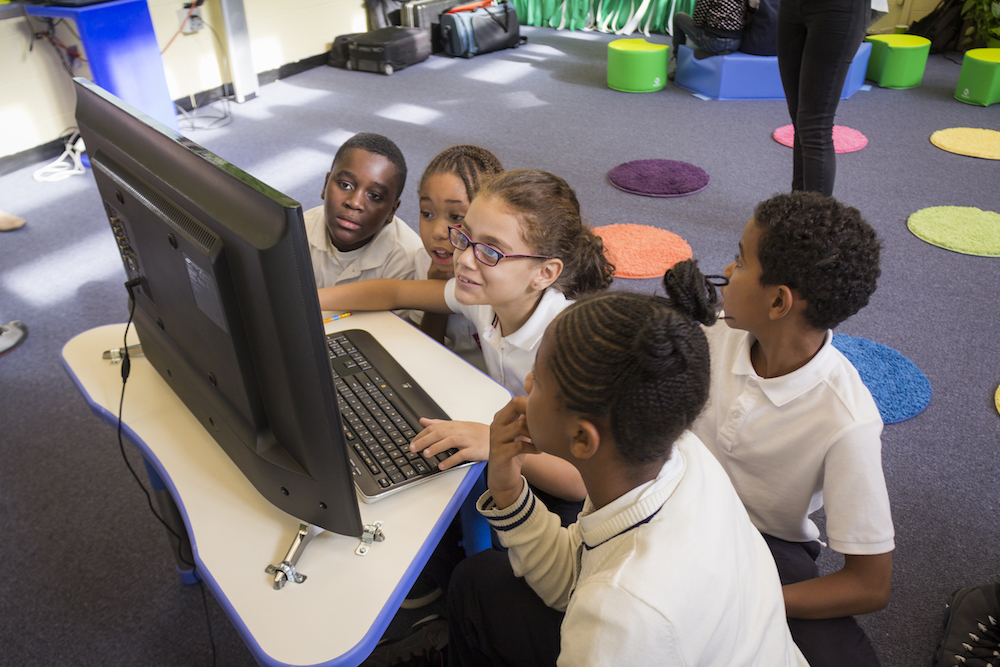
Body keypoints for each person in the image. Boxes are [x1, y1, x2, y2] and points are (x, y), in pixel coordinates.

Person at [446, 291, 808, 667]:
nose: (528, 381)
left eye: (540, 379)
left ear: (583, 439)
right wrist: (508, 490)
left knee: (476, 585)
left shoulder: (618, 616)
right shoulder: (675, 451)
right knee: (478, 578)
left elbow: (604, 597)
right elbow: (574, 576)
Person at [666, 192, 892, 667]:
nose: (726, 270)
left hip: (767, 548)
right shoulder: (716, 335)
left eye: (741, 260)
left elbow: (869, 584)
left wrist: (754, 601)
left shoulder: (848, 421)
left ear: (778, 301)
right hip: (673, 506)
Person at [317, 169, 614, 518]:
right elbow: (394, 291)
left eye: (490, 251)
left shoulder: (571, 346)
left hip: (569, 497)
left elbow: (580, 482)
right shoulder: (486, 299)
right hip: (513, 449)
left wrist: (495, 443)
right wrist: (305, 297)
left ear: (544, 274)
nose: (465, 259)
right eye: (465, 236)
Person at [411, 145, 504, 371]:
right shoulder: (422, 261)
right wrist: (434, 288)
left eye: (455, 217)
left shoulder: (501, 275)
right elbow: (426, 353)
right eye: (427, 213)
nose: (438, 231)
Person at [304, 132, 423, 289]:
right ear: (325, 185)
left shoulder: (408, 262)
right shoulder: (299, 230)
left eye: (374, 196)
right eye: (345, 185)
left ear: (392, 211)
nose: (354, 203)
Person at [776, 0, 871, 196]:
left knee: (814, 125)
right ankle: (798, 209)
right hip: (792, 7)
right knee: (799, 120)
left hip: (838, 9)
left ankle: (815, 222)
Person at [669, 0, 747, 77]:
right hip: (736, 42)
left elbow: (698, 21)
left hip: (714, 41)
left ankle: (678, 66)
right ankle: (716, 51)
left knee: (678, 17)